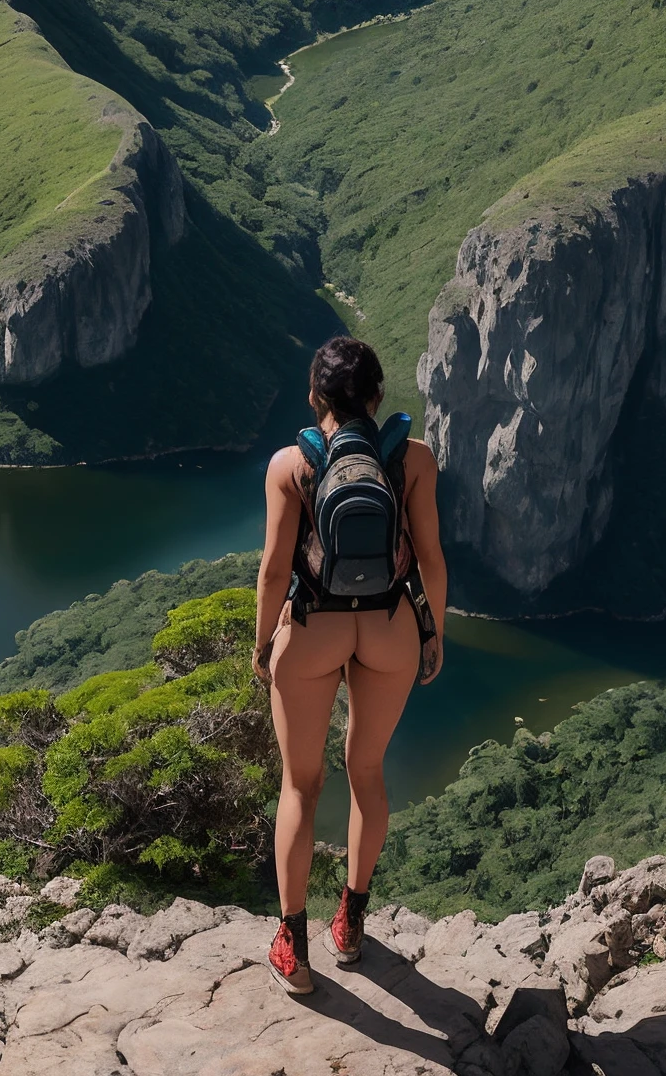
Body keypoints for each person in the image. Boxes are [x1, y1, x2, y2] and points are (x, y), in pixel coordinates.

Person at [253, 334, 446, 993]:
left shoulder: (291, 465)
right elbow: (430, 560)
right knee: (366, 774)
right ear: (377, 396)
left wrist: (262, 644)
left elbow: (277, 569)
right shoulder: (414, 458)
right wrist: (433, 634)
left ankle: (292, 947)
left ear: (314, 398)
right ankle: (352, 925)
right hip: (389, 629)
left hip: (311, 629)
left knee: (300, 785)